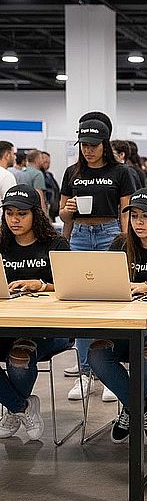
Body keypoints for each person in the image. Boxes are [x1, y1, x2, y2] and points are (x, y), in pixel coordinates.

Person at [88, 187, 147, 443]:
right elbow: (105, 281)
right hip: (125, 322)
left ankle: (131, 408)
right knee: (96, 354)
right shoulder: (120, 243)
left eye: (146, 216)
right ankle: (139, 405)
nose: (139, 222)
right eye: (134, 216)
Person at [59, 115, 135, 401]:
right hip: (79, 235)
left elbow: (126, 211)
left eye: (93, 145)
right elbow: (62, 215)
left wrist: (125, 242)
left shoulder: (120, 172)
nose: (88, 150)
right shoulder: (72, 172)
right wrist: (67, 211)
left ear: (104, 144)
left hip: (109, 234)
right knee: (79, 303)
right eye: (84, 145)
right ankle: (85, 372)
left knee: (109, 301)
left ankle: (107, 371)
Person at [0, 185, 71, 441]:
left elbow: (71, 286)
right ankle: (20, 406)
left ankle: (13, 409)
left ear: (35, 214)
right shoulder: (1, 244)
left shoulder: (55, 244)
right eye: (9, 213)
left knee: (19, 357)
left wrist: (41, 285)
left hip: (49, 328)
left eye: (21, 214)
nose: (14, 220)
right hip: (7, 325)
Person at [18, 149, 48, 214]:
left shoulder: (20, 173)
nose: (43, 160)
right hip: (33, 209)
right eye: (41, 158)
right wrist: (44, 213)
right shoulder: (38, 174)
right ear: (37, 159)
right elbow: (39, 195)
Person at [40, 151, 61, 222]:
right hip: (45, 209)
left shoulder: (49, 175)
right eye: (45, 161)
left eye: (48, 162)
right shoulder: (38, 176)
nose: (47, 163)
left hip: (53, 210)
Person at [0, 141, 17, 215]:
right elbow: (12, 203)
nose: (15, 157)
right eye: (13, 154)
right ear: (7, 155)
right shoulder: (6, 175)